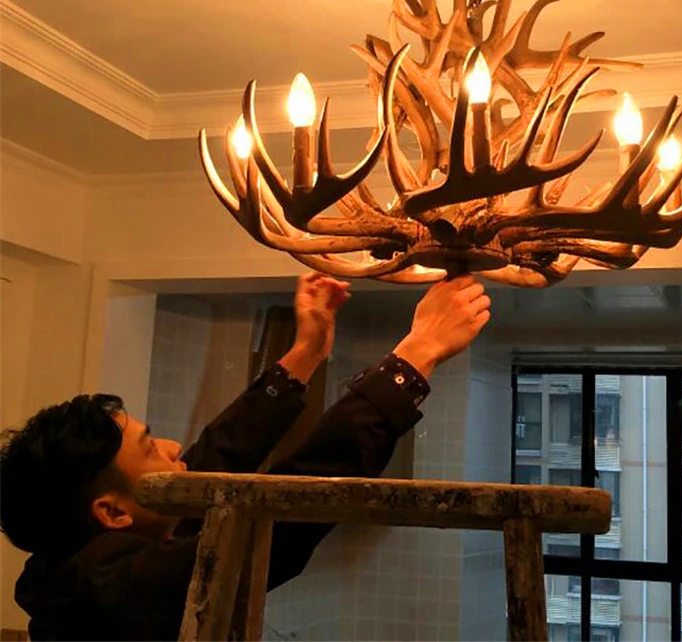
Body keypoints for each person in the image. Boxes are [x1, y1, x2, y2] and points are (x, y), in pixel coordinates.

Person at [0, 273, 491, 641]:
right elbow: (280, 514)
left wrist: (305, 353)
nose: (173, 448)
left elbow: (212, 461)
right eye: (149, 448)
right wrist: (416, 355)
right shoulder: (112, 592)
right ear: (112, 512)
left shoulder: (83, 572)